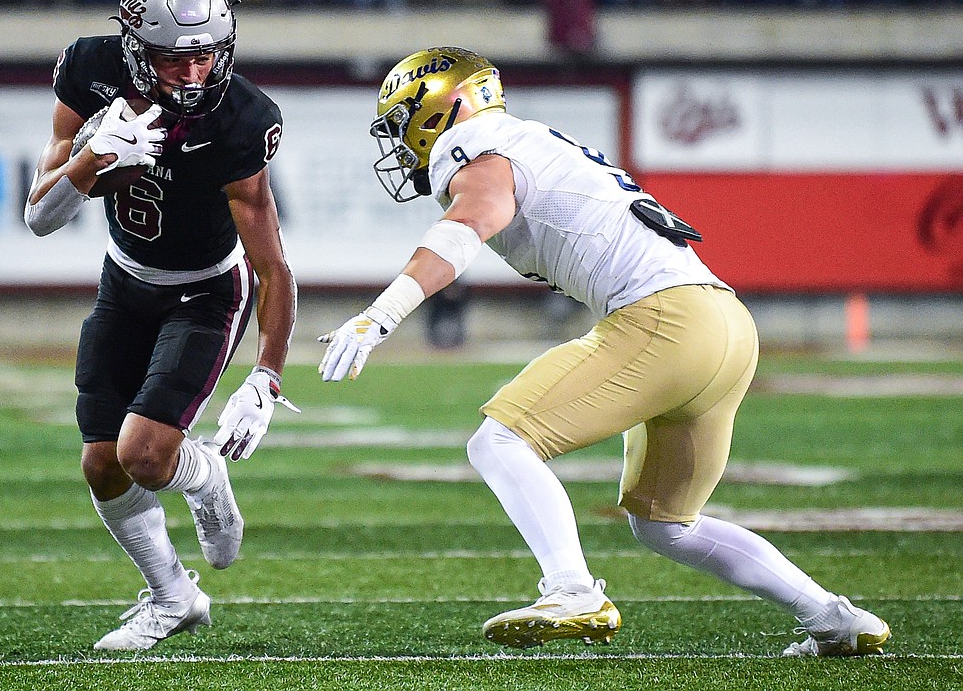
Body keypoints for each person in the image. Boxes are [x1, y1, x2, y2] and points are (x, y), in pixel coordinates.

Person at [318, 47, 891, 657]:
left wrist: (379, 316)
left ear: (440, 107)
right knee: (667, 525)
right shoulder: (529, 140)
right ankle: (834, 618)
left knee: (500, 440)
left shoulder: (480, 146)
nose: (400, 144)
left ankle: (572, 589)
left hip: (665, 320)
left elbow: (471, 222)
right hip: (724, 322)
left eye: (402, 122)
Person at [24, 0, 297, 651]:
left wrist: (267, 374)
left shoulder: (241, 118)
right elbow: (40, 216)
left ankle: (205, 477)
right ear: (136, 48)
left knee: (146, 455)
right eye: (176, 59)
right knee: (100, 462)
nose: (194, 74)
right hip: (125, 278)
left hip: (207, 290)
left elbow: (271, 263)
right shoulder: (89, 69)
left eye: (206, 55)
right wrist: (91, 160)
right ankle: (173, 596)